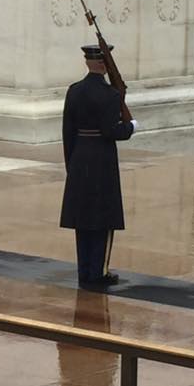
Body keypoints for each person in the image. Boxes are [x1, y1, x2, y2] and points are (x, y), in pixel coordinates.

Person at [59, 44, 137, 290]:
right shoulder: (111, 95)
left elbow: (67, 132)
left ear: (88, 63)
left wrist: (71, 163)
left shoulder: (74, 91)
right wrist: (132, 127)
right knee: (103, 218)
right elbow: (112, 131)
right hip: (101, 159)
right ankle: (98, 271)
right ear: (104, 64)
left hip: (80, 155)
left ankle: (84, 270)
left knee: (83, 218)